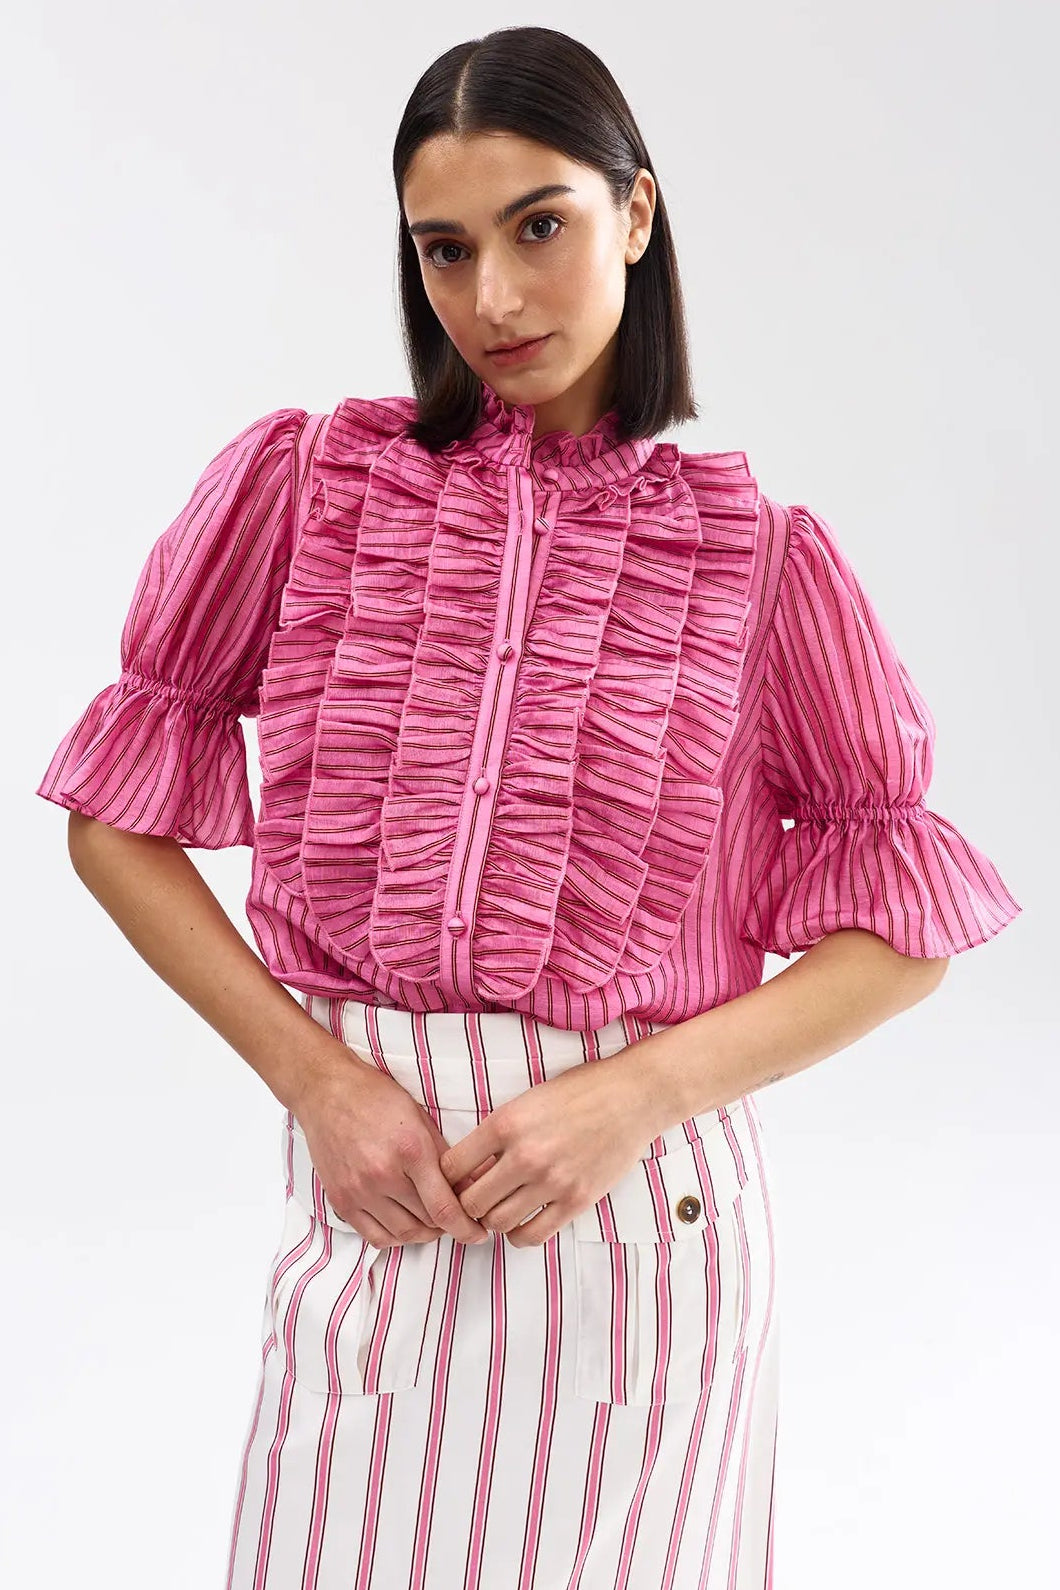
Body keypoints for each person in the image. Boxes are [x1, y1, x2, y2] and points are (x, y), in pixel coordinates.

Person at [35, 24, 1022, 1590]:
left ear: (637, 212)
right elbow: (112, 820)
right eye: (445, 248)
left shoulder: (761, 563)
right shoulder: (307, 490)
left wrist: (634, 1097)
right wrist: (315, 1080)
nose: (492, 297)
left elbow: (906, 937)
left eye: (538, 226)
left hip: (642, 1228)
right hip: (378, 1199)